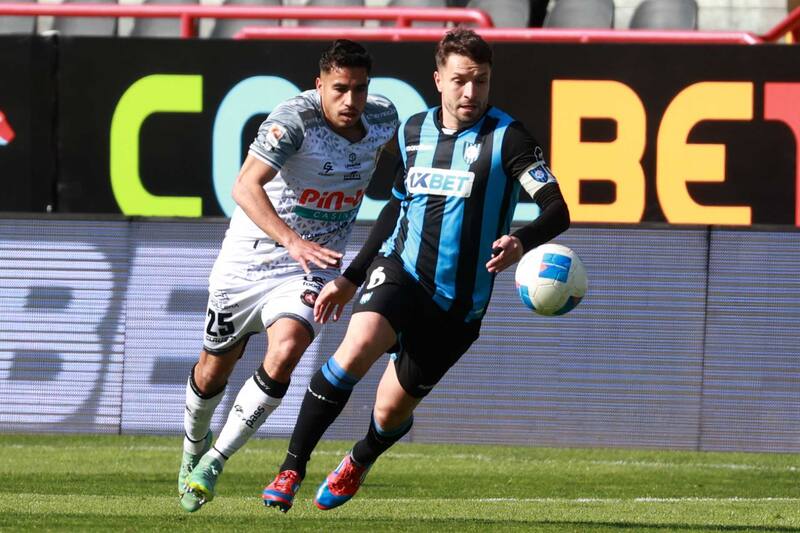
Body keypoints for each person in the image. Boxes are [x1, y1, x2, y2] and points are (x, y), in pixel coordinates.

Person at [261, 27, 570, 512]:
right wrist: (351, 276)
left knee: (389, 411)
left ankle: (359, 459)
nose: (471, 92)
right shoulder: (412, 132)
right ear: (438, 80)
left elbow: (557, 209)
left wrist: (520, 240)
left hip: (459, 302)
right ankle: (290, 468)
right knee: (354, 349)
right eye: (461, 80)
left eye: (482, 81)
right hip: (400, 271)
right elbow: (395, 208)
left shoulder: (509, 138)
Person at [177, 39, 398, 513]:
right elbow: (244, 185)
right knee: (213, 369)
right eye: (339, 89)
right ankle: (193, 446)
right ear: (319, 86)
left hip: (314, 264)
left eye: (359, 89)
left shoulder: (383, 118)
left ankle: (214, 461)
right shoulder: (294, 120)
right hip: (249, 259)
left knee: (289, 347)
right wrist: (291, 239)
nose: (350, 100)